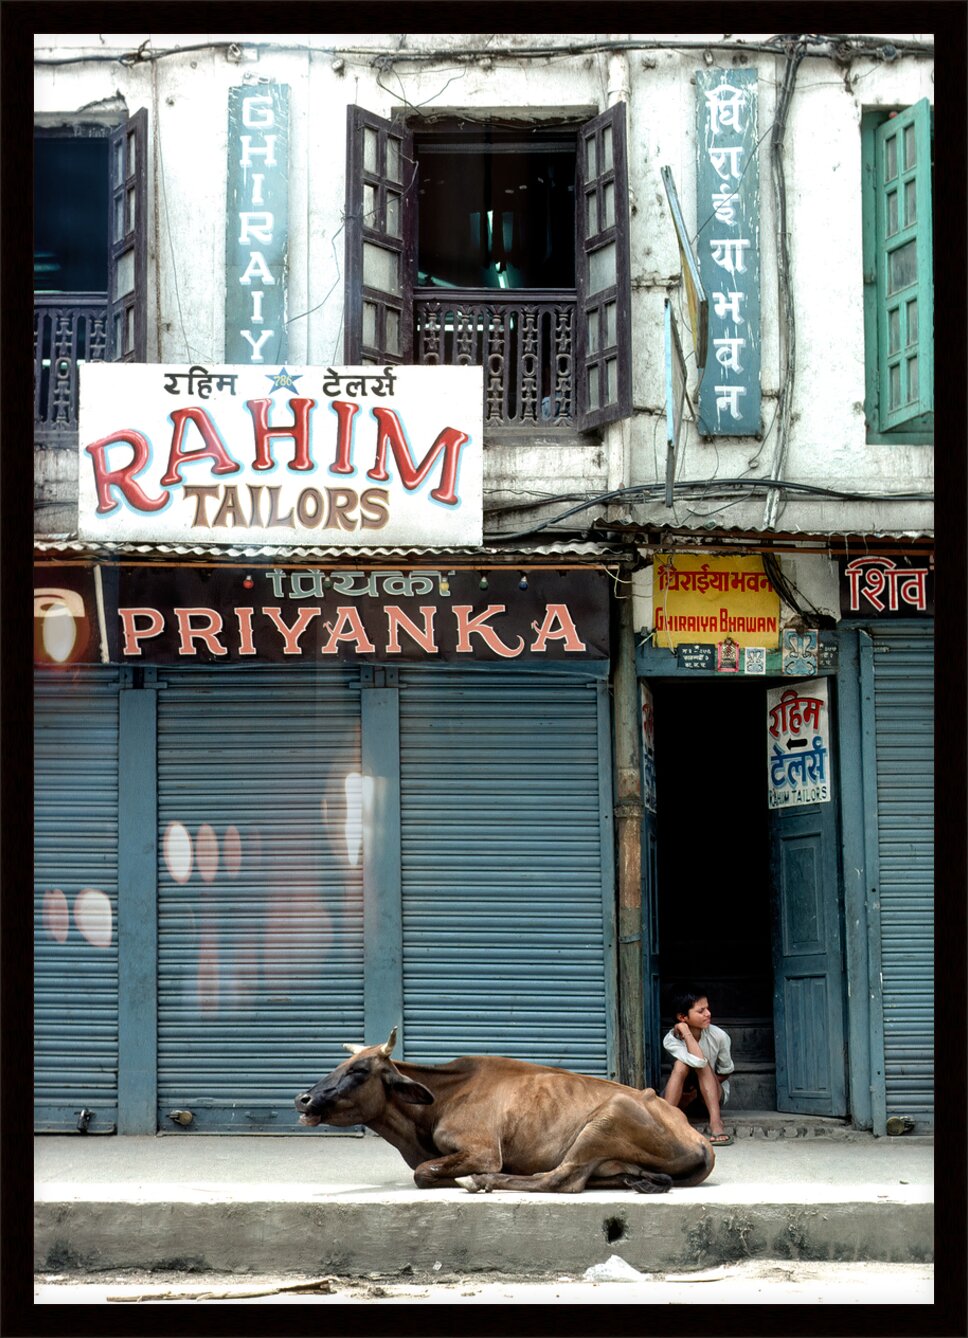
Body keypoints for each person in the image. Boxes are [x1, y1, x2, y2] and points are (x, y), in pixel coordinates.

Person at [661, 988, 735, 1146]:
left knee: (704, 1065)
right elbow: (697, 1060)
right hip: (681, 1098)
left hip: (710, 1097)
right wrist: (685, 1032)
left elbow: (725, 1072)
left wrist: (698, 1092)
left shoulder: (719, 1036)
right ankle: (665, 1123)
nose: (708, 1013)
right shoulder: (671, 1039)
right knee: (681, 1064)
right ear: (682, 1017)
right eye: (701, 1011)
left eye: (707, 1008)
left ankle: (716, 1123)